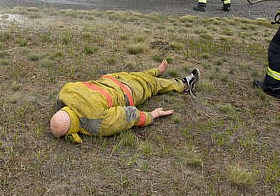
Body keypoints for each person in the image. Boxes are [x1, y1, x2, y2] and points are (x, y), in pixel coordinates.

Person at [49, 59, 200, 143]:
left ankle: (182, 84)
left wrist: (152, 115)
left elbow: (131, 115)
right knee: (136, 76)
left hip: (128, 90)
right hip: (112, 79)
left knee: (151, 84)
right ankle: (162, 75)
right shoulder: (64, 93)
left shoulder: (95, 123)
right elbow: (129, 115)